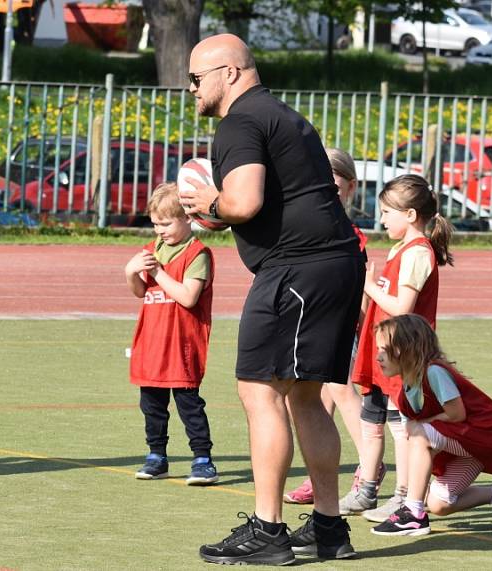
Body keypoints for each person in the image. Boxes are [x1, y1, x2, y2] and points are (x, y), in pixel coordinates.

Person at [180, 34, 365, 565]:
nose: (190, 89)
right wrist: (221, 209)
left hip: (299, 269)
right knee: (304, 395)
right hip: (332, 262)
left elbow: (244, 200)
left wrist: (209, 201)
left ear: (230, 72)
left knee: (258, 390)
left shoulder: (239, 120)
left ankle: (268, 530)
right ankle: (329, 528)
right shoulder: (280, 114)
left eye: (196, 78)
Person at [345, 174, 453, 523]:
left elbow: (403, 306)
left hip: (404, 356)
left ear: (409, 214)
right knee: (370, 420)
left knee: (402, 427)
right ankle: (365, 489)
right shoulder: (400, 248)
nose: (381, 219)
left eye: (387, 212)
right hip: (382, 351)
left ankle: (404, 496)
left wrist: (369, 286)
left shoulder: (419, 251)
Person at [283, 147, 387, 506]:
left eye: (333, 184)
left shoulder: (347, 231)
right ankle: (320, 474)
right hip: (311, 319)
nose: (325, 191)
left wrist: (361, 324)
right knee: (317, 398)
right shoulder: (307, 222)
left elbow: (354, 284)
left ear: (350, 188)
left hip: (337, 322)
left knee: (340, 392)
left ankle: (368, 467)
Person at [369, 314, 492, 537]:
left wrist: (420, 429)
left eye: (384, 349)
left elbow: (456, 414)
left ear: (408, 347)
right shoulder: (405, 391)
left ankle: (414, 513)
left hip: (490, 434)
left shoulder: (433, 372)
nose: (378, 357)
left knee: (418, 433)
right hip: (468, 443)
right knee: (438, 504)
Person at [124, 182, 218, 486]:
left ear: (186, 219)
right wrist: (130, 271)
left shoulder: (197, 254)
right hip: (152, 342)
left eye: (166, 223)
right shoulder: (152, 249)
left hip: (182, 345)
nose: (160, 230)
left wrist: (157, 273)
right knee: (151, 405)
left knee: (189, 405)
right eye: (155, 224)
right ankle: (157, 456)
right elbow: (141, 291)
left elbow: (188, 297)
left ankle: (202, 459)